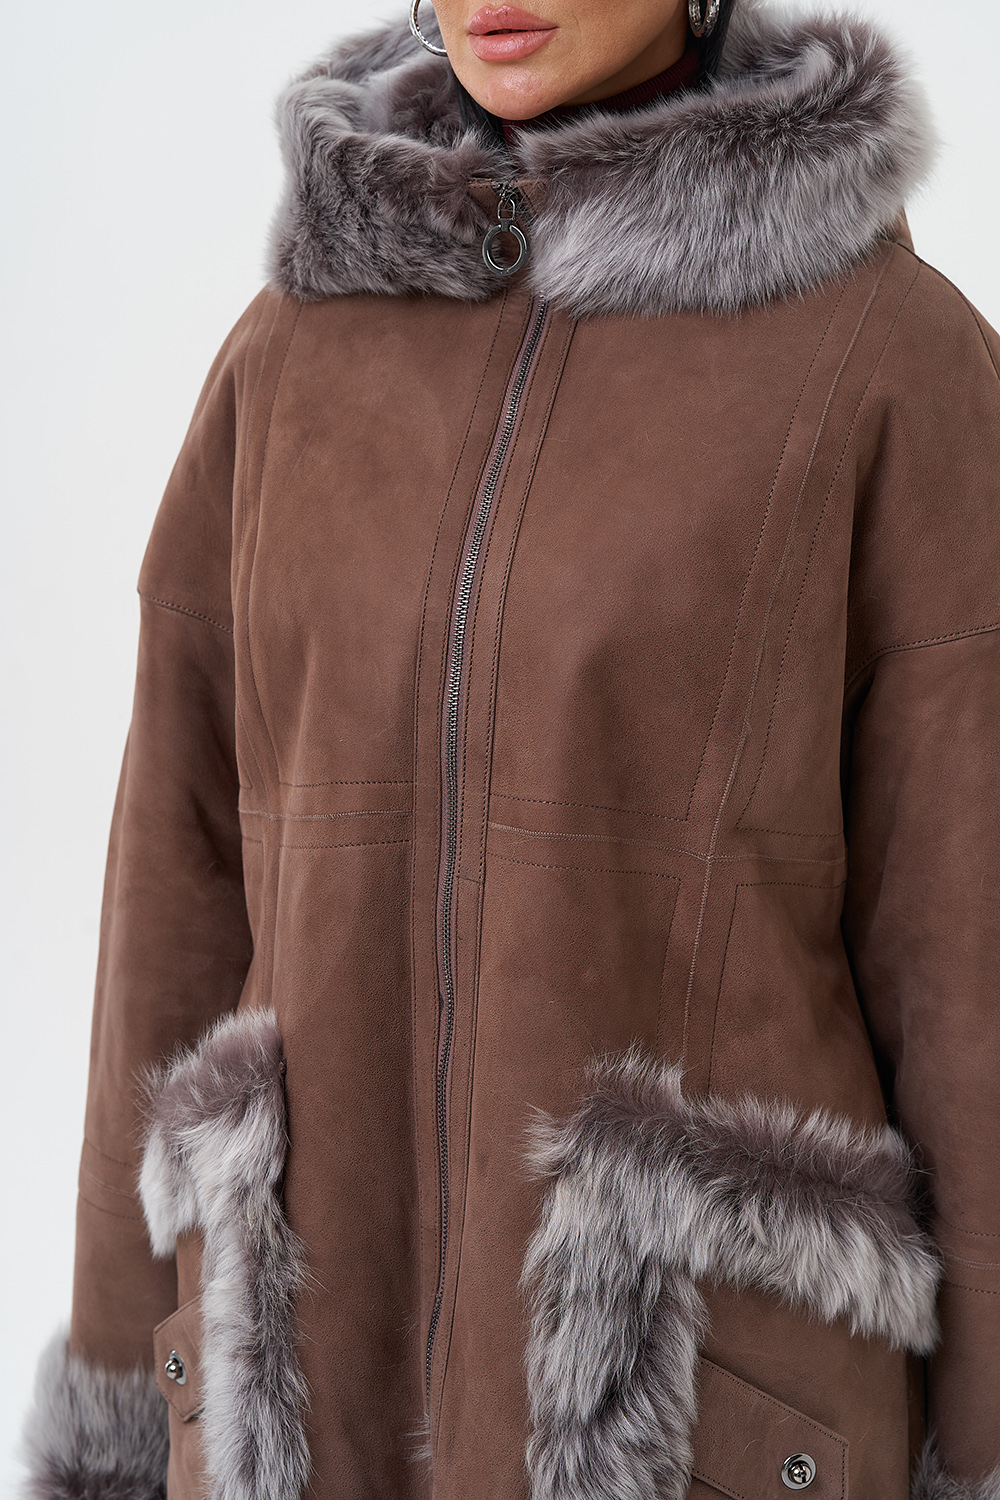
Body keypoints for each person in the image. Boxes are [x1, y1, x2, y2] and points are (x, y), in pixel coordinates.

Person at [17, 0, 1000, 1497]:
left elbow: (969, 964)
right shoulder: (290, 356)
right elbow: (172, 901)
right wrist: (115, 1409)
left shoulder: (889, 360)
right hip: (305, 1398)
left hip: (707, 1417)